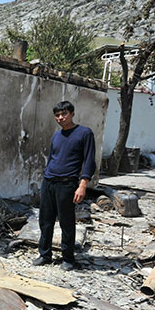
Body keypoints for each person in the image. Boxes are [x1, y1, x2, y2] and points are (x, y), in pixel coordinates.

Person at [33, 101, 96, 271]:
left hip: (67, 184)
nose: (60, 118)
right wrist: (46, 177)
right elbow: (53, 158)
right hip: (49, 182)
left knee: (66, 222)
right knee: (45, 220)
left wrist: (83, 185)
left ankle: (68, 258)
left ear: (72, 114)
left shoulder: (84, 133)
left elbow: (89, 161)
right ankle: (45, 254)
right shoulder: (56, 136)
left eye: (64, 114)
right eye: (57, 115)